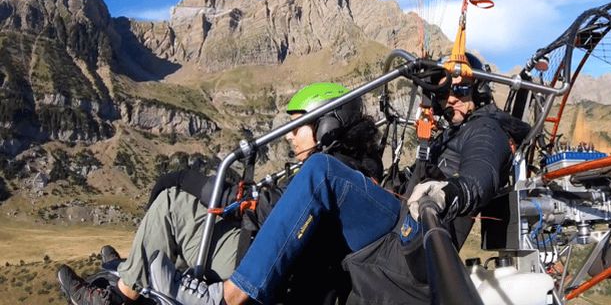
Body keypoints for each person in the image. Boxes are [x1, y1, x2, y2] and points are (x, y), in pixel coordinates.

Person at [150, 53, 530, 305]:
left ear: (478, 90)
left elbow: (478, 177)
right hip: (400, 235)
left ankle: (228, 296)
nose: (449, 101)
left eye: (457, 91)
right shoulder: (454, 131)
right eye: (445, 93)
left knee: (321, 171)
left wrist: (450, 193)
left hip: (408, 247)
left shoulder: (486, 130)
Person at [57, 82, 383, 305]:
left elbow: (277, 212)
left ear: (327, 126)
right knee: (186, 208)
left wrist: (231, 195)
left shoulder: (330, 170)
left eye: (298, 126)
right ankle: (132, 270)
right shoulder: (357, 167)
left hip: (262, 266)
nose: (290, 136)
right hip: (269, 254)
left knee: (172, 203)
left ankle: (119, 295)